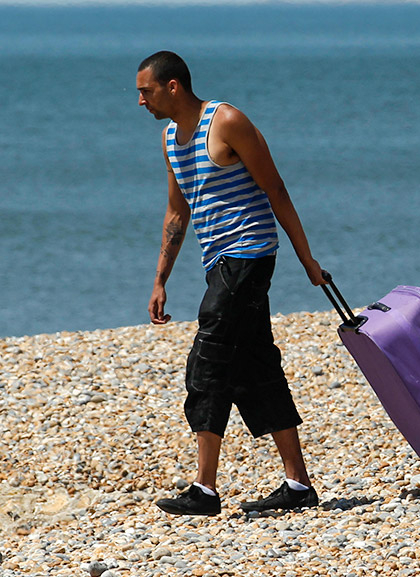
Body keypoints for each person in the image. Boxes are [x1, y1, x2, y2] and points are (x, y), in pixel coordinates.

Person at [136, 50, 327, 516]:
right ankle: (298, 485)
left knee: (209, 361)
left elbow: (275, 189)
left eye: (146, 91)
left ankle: (204, 489)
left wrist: (307, 260)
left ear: (173, 86)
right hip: (217, 261)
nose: (141, 101)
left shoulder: (227, 121)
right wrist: (160, 279)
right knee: (255, 365)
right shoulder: (170, 139)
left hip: (249, 255)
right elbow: (177, 211)